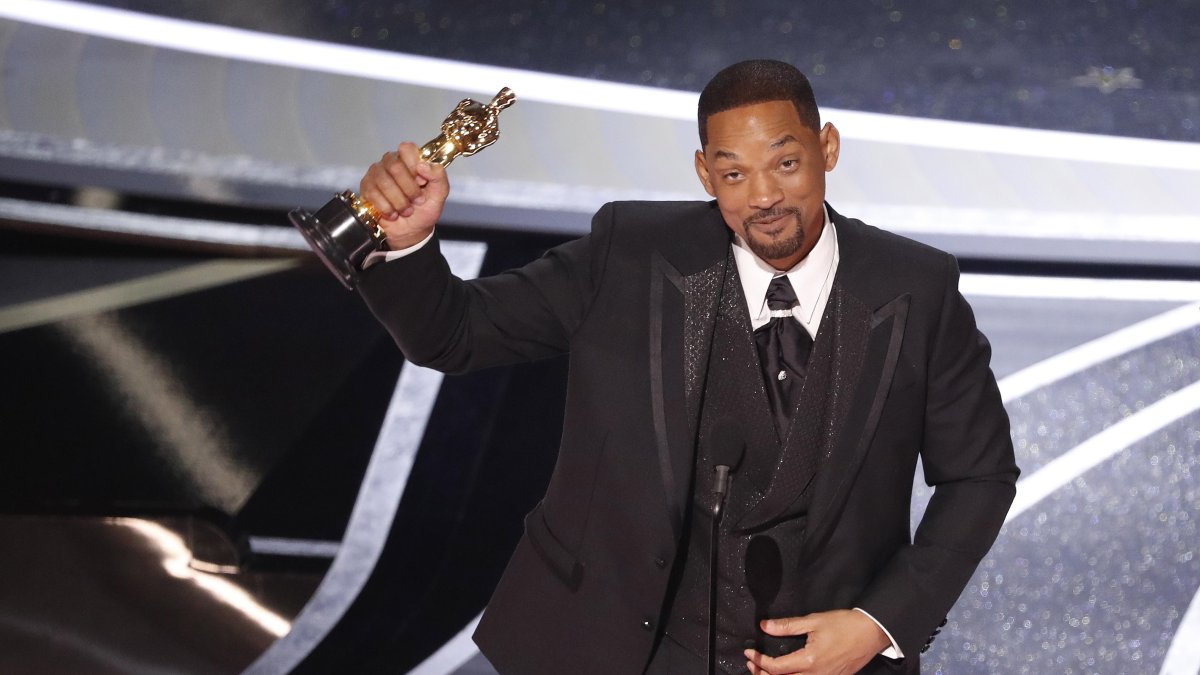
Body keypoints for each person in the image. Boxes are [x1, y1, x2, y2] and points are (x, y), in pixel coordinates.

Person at [353, 60, 1019, 674]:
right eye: (734, 173)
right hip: (626, 653)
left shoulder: (918, 288)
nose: (762, 196)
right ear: (704, 174)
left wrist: (878, 623)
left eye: (785, 163)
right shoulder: (631, 256)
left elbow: (980, 476)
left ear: (828, 149)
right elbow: (455, 334)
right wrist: (407, 245)